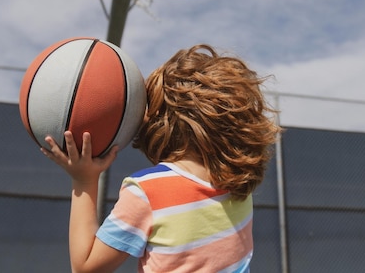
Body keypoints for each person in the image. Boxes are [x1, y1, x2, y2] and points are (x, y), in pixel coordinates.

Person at [42, 44, 281, 273]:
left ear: (160, 120)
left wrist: (84, 181)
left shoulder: (149, 192)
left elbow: (85, 267)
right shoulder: (238, 188)